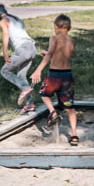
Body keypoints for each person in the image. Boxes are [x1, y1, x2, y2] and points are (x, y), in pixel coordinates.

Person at [30, 14, 78, 145]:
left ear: (56, 26)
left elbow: (51, 53)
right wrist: (49, 55)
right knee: (70, 106)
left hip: (54, 75)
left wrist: (38, 70)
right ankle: (74, 135)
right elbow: (63, 57)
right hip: (67, 76)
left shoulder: (54, 38)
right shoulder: (72, 41)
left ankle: (52, 112)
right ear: (69, 28)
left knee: (44, 93)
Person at [0, 3, 36, 113]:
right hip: (32, 48)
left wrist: (5, 52)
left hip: (23, 49)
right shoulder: (16, 19)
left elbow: (5, 35)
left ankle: (25, 88)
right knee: (21, 75)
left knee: (4, 71)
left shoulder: (3, 21)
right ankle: (30, 104)